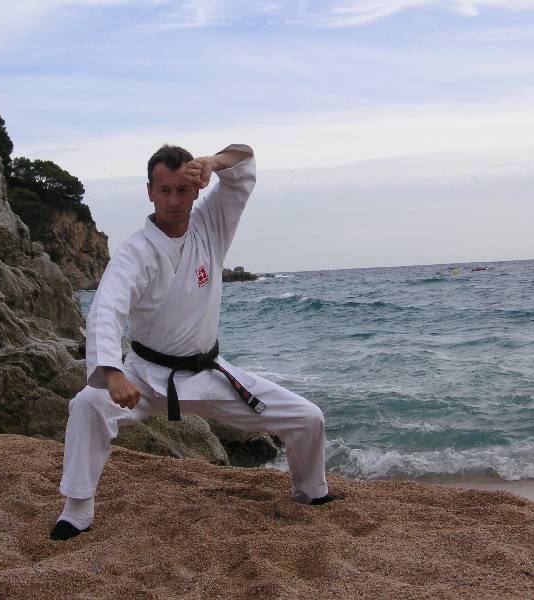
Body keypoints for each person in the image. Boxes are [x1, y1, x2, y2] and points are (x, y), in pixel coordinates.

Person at [50, 143, 333, 541]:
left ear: (197, 190)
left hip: (206, 372)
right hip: (144, 375)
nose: (173, 200)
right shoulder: (135, 252)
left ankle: (310, 490)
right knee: (87, 405)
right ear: (150, 192)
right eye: (164, 190)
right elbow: (107, 307)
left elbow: (244, 158)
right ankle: (77, 507)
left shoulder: (211, 226)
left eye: (183, 190)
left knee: (308, 418)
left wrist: (213, 162)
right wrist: (112, 373)